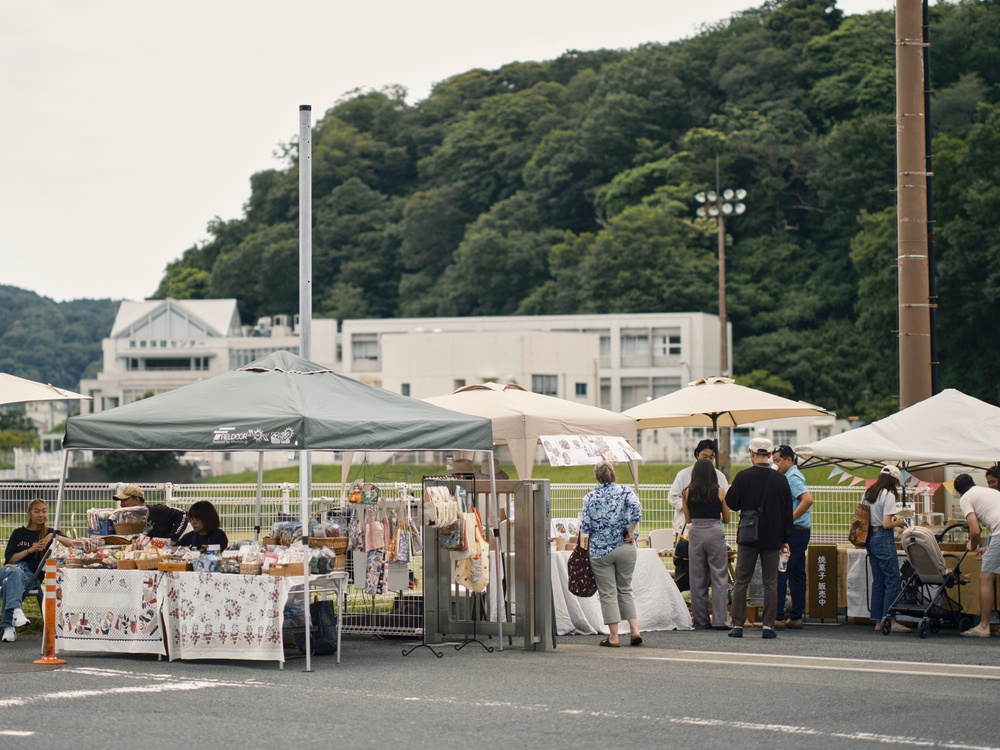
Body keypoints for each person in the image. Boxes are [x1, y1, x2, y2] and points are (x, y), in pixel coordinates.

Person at [725, 437, 793, 640]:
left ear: (751, 454)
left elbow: (732, 503)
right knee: (770, 582)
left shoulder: (743, 476)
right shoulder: (781, 479)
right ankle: (768, 627)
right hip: (773, 536)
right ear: (771, 455)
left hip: (748, 535)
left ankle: (737, 625)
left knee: (741, 581)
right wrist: (785, 537)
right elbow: (787, 511)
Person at [580, 460, 643, 647]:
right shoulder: (626, 491)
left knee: (607, 593)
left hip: (600, 550)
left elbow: (585, 526)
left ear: (597, 477)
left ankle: (614, 637)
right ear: (613, 473)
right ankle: (634, 630)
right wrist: (630, 530)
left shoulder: (590, 497)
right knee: (625, 589)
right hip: (625, 546)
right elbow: (637, 510)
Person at [2, 499, 73, 643]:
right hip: (10, 569)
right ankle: (16, 611)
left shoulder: (50, 532)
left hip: (31, 576)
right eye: (37, 511)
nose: (41, 514)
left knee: (9, 581)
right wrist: (31, 549)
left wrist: (52, 536)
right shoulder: (18, 533)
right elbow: (9, 559)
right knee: (14, 571)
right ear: (29, 514)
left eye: (44, 510)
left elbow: (72, 544)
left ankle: (8, 626)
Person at [683, 457, 731, 629]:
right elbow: (726, 519)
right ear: (712, 474)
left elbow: (687, 519)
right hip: (714, 531)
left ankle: (701, 620)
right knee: (719, 577)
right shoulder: (720, 491)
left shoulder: (687, 492)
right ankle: (720, 621)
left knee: (697, 578)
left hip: (695, 531)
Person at [771, 445, 814, 629]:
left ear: (789, 459)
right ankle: (796, 616)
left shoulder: (792, 477)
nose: (776, 465)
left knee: (782, 572)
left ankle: (779, 617)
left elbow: (808, 499)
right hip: (801, 532)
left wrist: (788, 519)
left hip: (794, 532)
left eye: (778, 461)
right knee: (797, 574)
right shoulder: (790, 476)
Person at [864, 465, 910, 633]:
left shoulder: (868, 492)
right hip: (883, 537)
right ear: (894, 480)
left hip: (870, 537)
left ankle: (878, 621)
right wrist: (899, 522)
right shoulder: (888, 495)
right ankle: (890, 619)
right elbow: (887, 524)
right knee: (892, 580)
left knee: (879, 581)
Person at [953, 473, 1000, 637]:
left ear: (959, 492)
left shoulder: (965, 497)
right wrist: (988, 548)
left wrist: (972, 545)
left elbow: (975, 530)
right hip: (998, 534)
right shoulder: (991, 492)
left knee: (986, 578)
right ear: (973, 483)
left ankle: (984, 626)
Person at [668, 439, 730, 541]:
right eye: (704, 457)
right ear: (697, 455)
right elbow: (672, 496)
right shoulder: (684, 474)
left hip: (712, 529)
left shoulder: (720, 476)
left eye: (711, 457)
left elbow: (726, 500)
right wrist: (688, 506)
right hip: (685, 528)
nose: (707, 460)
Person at [114, 484, 187, 542]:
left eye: (124, 500)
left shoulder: (157, 510)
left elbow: (183, 514)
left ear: (136, 499)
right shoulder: (126, 517)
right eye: (120, 501)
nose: (121, 504)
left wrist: (173, 539)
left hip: (162, 551)